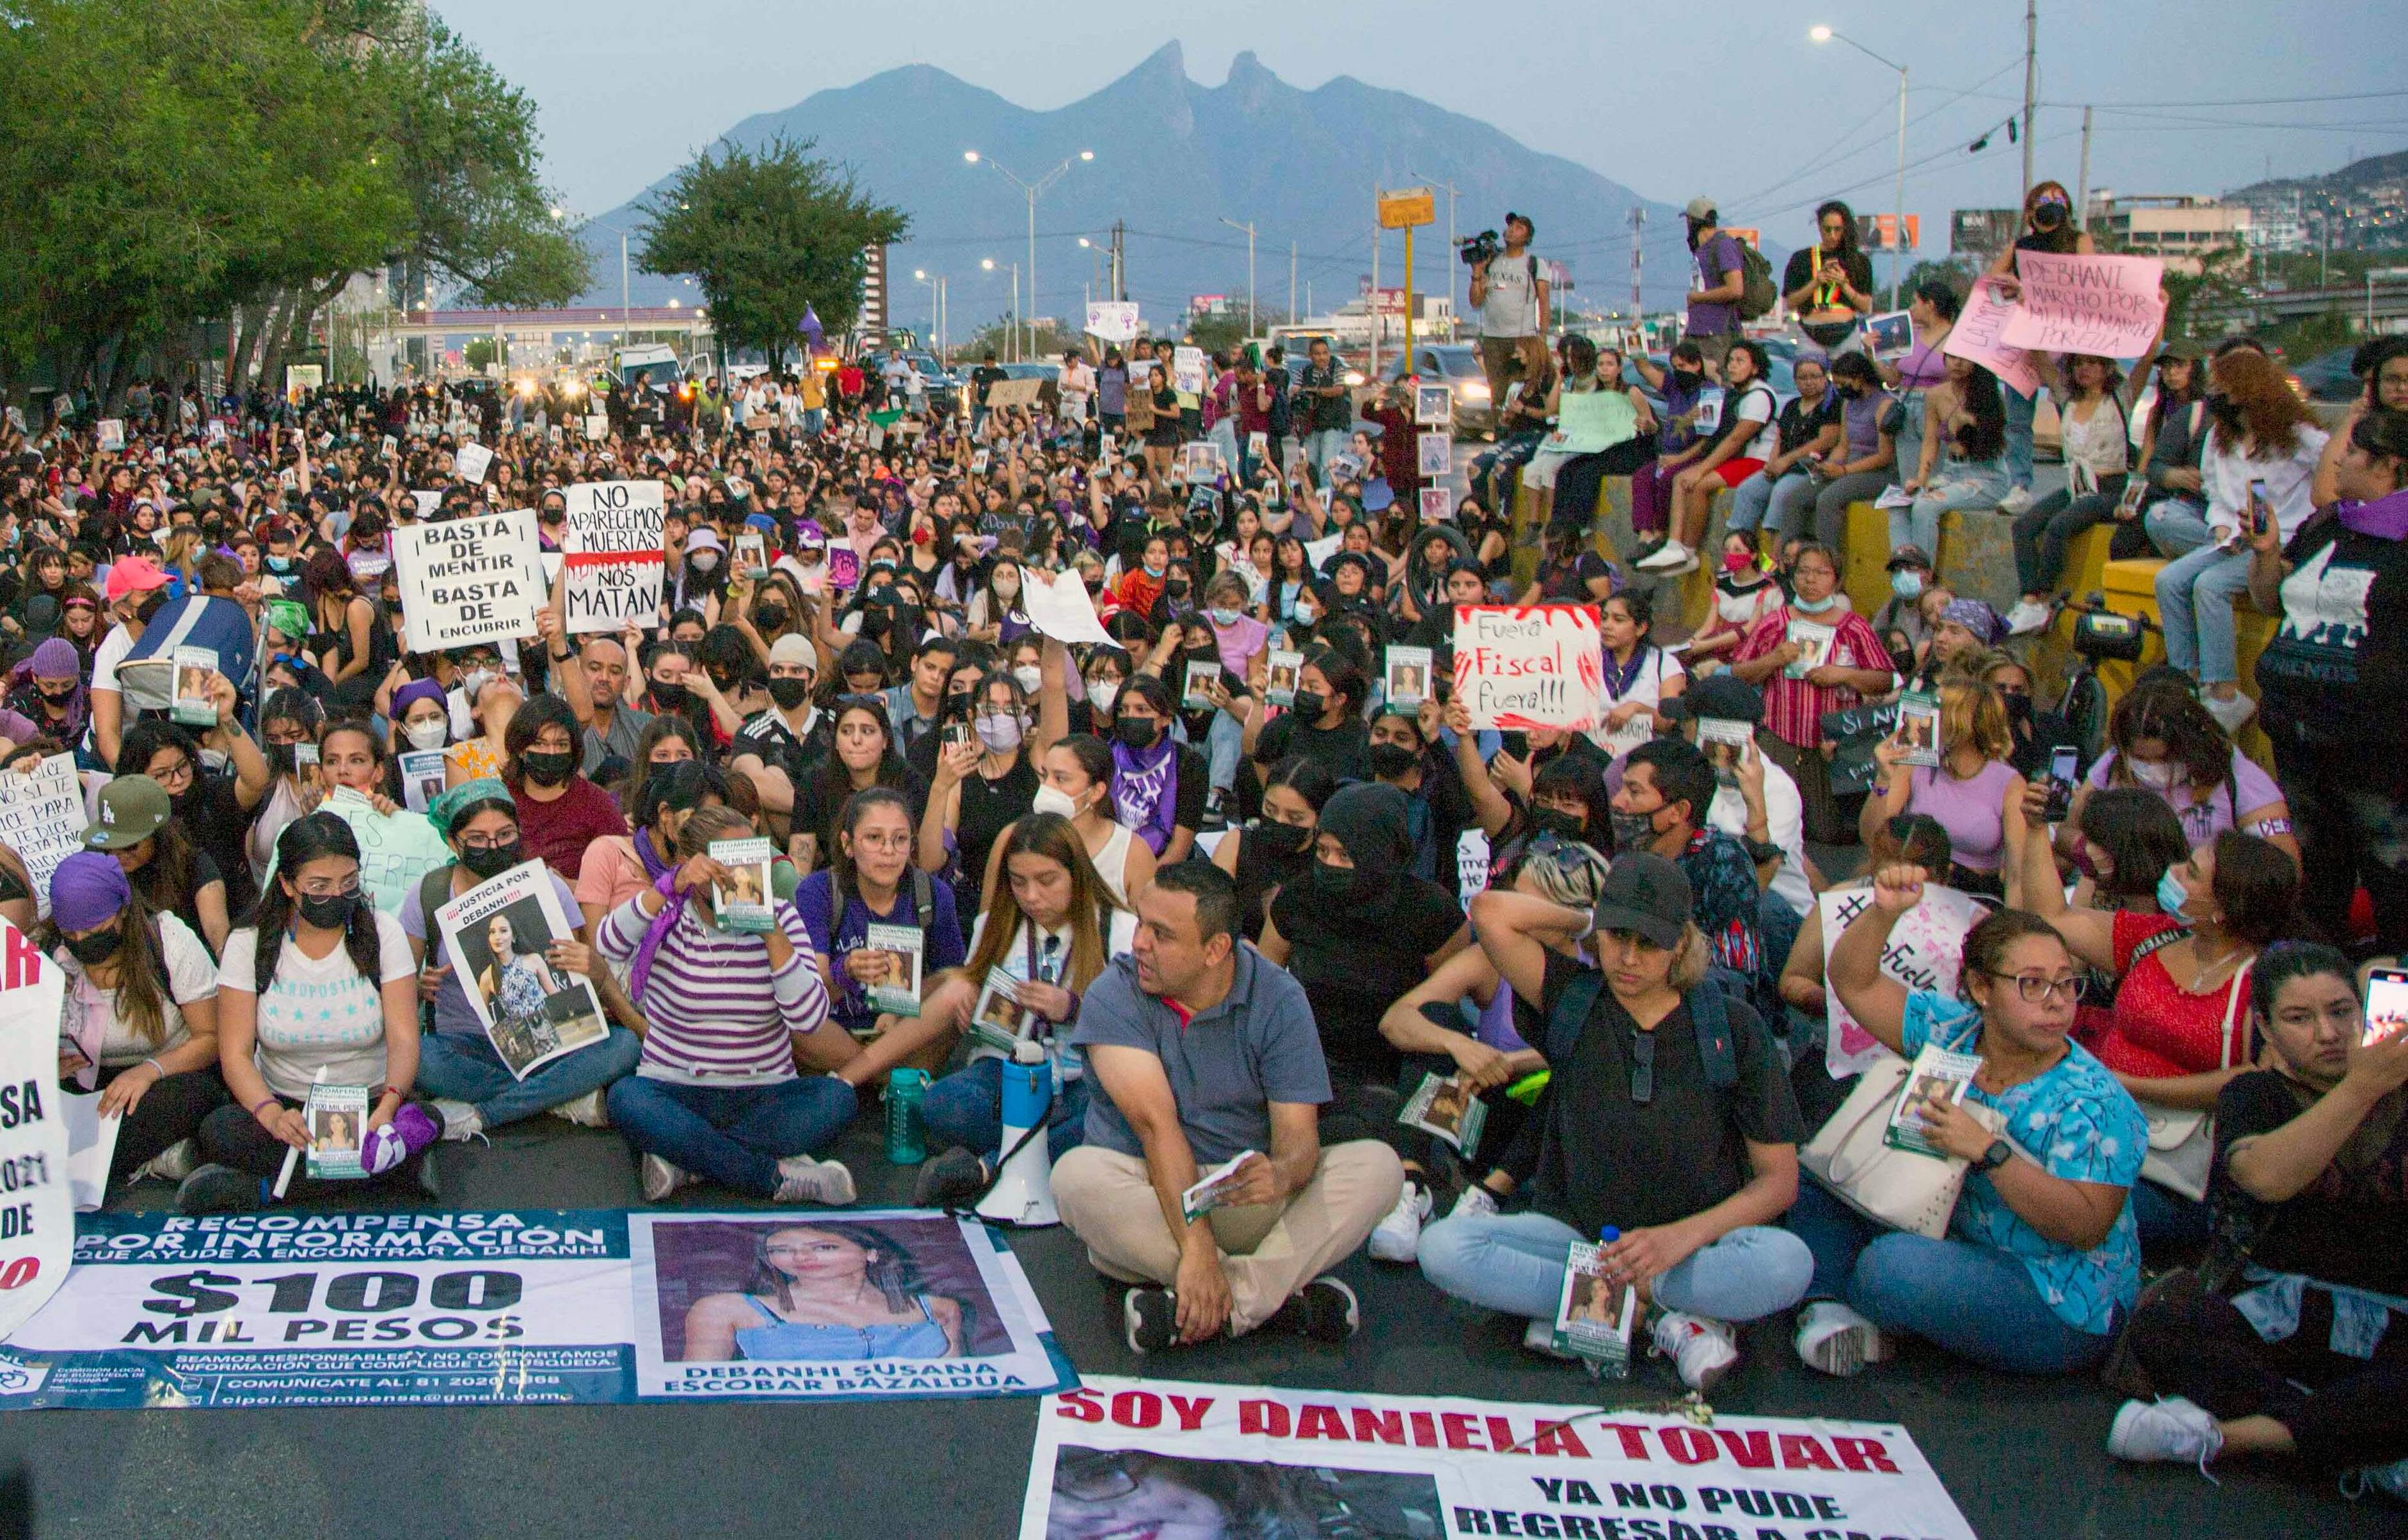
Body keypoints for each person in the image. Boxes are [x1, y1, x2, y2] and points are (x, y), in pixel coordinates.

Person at [1421, 854, 1813, 1390]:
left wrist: (1676, 1240)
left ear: (1681, 944)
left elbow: (1778, 1182)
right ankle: (1658, 1318)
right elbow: (1490, 912)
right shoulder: (1572, 997)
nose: (1628, 959)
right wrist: (1586, 921)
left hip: (1693, 1249)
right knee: (1443, 1249)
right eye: (1616, 937)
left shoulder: (1732, 1026)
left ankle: (1615, 1308)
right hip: (1578, 1239)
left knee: (1787, 1262)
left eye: (1648, 943)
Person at [1793, 863, 2146, 1376]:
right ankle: (1827, 1310)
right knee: (1822, 1171)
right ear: (1980, 988)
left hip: (2054, 1294)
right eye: (2031, 984)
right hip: (1953, 1237)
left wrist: (1988, 1151)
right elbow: (1853, 982)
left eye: (2067, 984)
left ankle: (1861, 1307)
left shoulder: (2094, 1101)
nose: (2056, 1003)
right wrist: (1883, 914)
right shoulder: (1950, 1030)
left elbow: (2085, 1228)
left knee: (1889, 1267)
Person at [1054, 863, 1405, 1351]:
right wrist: (1197, 1245)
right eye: (1140, 923)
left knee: (1379, 1167)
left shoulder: (1278, 997)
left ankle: (1216, 1303)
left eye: (1161, 934)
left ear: (1215, 949)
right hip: (1150, 1197)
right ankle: (1273, 1299)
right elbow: (1156, 1129)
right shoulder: (1114, 994)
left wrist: (1280, 1175)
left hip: (1241, 1195)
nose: (1139, 943)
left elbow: (1297, 1141)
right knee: (1076, 1178)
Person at [2106, 942, 2408, 1493]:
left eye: (2341, 1011)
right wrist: (2360, 1088)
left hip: (2391, 1325)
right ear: (2265, 1029)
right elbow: (2267, 1177)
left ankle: (2233, 1437)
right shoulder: (2253, 1094)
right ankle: (2362, 1447)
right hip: (2275, 1316)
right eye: (2299, 1018)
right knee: (2166, 1326)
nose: (2327, 1033)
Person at [2018, 821, 2299, 1249]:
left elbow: (2253, 1080)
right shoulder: (2153, 938)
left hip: (2169, 1173)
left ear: (2223, 907)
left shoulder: (2261, 982)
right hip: (2093, 1126)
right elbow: (2051, 917)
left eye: (2191, 872)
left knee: (2049, 1205)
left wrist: (2129, 1085)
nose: (2174, 873)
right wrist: (2037, 830)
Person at [595, 804, 857, 1205]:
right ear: (694, 865)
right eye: (727, 864)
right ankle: (772, 1177)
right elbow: (607, 946)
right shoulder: (667, 915)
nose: (740, 874)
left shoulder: (783, 917)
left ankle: (689, 1160)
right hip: (674, 1087)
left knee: (837, 1099)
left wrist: (768, 930)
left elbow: (808, 1018)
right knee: (626, 1099)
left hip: (763, 1093)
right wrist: (669, 884)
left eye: (751, 861)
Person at [177, 814, 429, 1214]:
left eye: (348, 883)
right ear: (287, 885)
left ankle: (268, 1191)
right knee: (219, 1130)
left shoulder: (383, 932)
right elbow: (236, 1053)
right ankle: (385, 1174)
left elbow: (403, 1039)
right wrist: (272, 1115)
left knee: (423, 1120)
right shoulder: (249, 943)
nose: (337, 896)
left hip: (369, 1103)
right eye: (319, 887)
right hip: (287, 1105)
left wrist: (387, 1107)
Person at [910, 812, 1140, 1203]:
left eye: (1047, 881)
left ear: (1077, 874)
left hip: (1082, 1080)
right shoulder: (996, 923)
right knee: (942, 1104)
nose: (1032, 896)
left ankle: (988, 1165)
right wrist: (970, 1003)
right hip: (1004, 1071)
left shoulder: (1120, 929)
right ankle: (1040, 1151)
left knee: (1111, 1118)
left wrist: (1075, 1008)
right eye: (1019, 882)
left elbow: (1138, 1025)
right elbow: (975, 983)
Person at [2247, 404, 2408, 957]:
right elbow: (2269, 602)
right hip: (2297, 738)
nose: (2337, 462)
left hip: (2375, 751)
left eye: (2352, 453)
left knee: (2392, 882)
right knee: (2315, 883)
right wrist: (2266, 553)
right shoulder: (2326, 524)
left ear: (2387, 465)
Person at [402, 782, 641, 1141]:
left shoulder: (549, 886)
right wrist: (420, 986)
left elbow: (575, 981)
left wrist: (591, 967)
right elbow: (402, 985)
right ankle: (557, 1098)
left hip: (552, 1039)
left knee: (624, 1047)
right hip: (469, 1046)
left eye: (505, 834)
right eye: (477, 838)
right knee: (418, 1057)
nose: (493, 846)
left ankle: (486, 1114)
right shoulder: (428, 892)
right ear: (452, 842)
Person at [2155, 346, 2330, 734]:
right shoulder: (2220, 437)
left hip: (2282, 540)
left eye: (2224, 387)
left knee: (2210, 586)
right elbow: (2215, 491)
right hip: (2235, 537)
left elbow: (2331, 467)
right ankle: (2185, 680)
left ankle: (2226, 693)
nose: (2215, 394)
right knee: (2169, 579)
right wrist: (2219, 525)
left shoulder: (2297, 436)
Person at [43, 852, 225, 1187]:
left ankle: (87, 1162)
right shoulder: (52, 955)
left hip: (169, 1075)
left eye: (93, 931)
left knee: (189, 1097)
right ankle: (143, 1158)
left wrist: (148, 1071)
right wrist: (46, 1067)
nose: (82, 942)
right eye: (72, 934)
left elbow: (212, 1039)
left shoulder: (167, 940)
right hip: (90, 1083)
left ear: (122, 913)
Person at [1726, 541, 1897, 844]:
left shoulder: (1854, 628)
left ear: (1836, 580)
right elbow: (1739, 672)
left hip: (1833, 747)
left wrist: (1844, 675)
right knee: (1775, 825)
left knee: (1827, 832)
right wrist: (1773, 659)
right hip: (1779, 739)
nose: (1810, 580)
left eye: (1821, 572)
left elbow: (1886, 680)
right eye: (1803, 571)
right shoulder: (1775, 622)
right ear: (1793, 577)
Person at [792, 787, 967, 1057]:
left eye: (900, 839)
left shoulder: (933, 895)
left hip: (906, 1034)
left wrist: (904, 1011)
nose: (888, 851)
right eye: (874, 838)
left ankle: (869, 1071)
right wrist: (846, 970)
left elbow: (954, 979)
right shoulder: (819, 891)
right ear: (847, 844)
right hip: (837, 1034)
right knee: (799, 1027)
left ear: (912, 845)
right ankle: (878, 1072)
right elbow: (809, 995)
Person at [2062, 675, 2296, 858]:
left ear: (2192, 747)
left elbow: (2283, 863)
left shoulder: (2238, 777)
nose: (2152, 768)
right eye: (2140, 758)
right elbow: (2066, 833)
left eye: (2165, 758)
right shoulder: (2115, 763)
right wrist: (2089, 852)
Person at [681, 1223, 964, 1363]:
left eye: (824, 1247)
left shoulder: (939, 1309)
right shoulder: (727, 1311)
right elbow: (697, 1403)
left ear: (871, 1252)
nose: (802, 1258)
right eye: (782, 1250)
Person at [2007, 354, 2137, 636]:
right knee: (2024, 527)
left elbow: (2146, 362)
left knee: (2058, 527)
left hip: (2109, 486)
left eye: (2091, 363)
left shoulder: (2120, 398)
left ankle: (2044, 597)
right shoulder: (2069, 400)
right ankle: (2028, 599)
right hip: (2076, 486)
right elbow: (2043, 363)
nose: (2084, 369)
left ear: (2106, 367)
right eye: (2078, 364)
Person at [1861, 682, 2029, 899]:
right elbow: (1871, 835)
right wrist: (1884, 779)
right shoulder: (1917, 761)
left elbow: (2017, 874)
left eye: (1938, 708)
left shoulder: (2009, 783)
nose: (1926, 715)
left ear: (1964, 723)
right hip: (1912, 881)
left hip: (1972, 892)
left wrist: (2013, 919)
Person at [1647, 339, 1780, 575]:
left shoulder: (1759, 396)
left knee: (1699, 485)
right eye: (1731, 361)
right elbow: (1714, 436)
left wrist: (1702, 469)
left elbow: (1735, 440)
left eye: (1740, 361)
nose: (1733, 366)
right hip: (1741, 459)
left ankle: (1689, 551)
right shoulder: (1735, 394)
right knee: (1681, 479)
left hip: (1758, 461)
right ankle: (1674, 546)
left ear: (1755, 368)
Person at [83, 774, 229, 958]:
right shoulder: (95, 860)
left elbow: (218, 933)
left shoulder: (194, 866)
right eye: (108, 844)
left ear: (157, 835)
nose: (116, 854)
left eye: (129, 846)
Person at [504, 693, 629, 882]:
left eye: (561, 745)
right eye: (540, 744)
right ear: (521, 749)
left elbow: (622, 880)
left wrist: (565, 886)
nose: (551, 753)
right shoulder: (502, 800)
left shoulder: (595, 803)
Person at [1896, 355, 2011, 560]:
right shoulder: (1935, 395)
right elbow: (1930, 441)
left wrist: (1969, 422)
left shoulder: (1992, 396)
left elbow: (1996, 445)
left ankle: (1922, 571)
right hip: (1951, 472)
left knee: (1925, 507)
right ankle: (1903, 567)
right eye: (1952, 357)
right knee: (1900, 505)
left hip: (1986, 477)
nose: (1958, 363)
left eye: (1965, 358)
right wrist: (1921, 477)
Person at [1211, 755, 1335, 943]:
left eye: (1295, 818)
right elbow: (1212, 916)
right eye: (1270, 809)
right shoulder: (1237, 844)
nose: (1279, 821)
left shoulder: (1325, 862)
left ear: (1320, 818)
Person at [1032, 732, 1155, 908]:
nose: (1047, 786)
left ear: (1097, 792)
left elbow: (1148, 919)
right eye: (1045, 776)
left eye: (1060, 778)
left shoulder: (1132, 853)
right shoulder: (1021, 837)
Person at [1728, 353, 1840, 545]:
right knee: (1748, 490)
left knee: (1781, 492)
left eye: (1815, 377)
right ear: (1795, 380)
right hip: (1782, 467)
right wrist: (1772, 463)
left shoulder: (1832, 406)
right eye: (1803, 378)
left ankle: (1778, 556)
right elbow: (1780, 438)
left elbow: (1825, 441)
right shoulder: (1791, 406)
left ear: (1825, 377)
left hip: (1809, 470)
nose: (1809, 382)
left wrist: (1786, 461)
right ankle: (1738, 546)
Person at [1468, 213, 1549, 410]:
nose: (1512, 230)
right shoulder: (1491, 261)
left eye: (1519, 228)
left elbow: (1545, 304)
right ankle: (1499, 426)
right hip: (1493, 338)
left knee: (1522, 390)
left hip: (1522, 338)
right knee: (1497, 394)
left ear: (1527, 238)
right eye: (1510, 226)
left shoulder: (1534, 264)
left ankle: (1519, 425)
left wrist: (1542, 338)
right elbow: (1476, 302)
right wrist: (1477, 274)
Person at [1782, 201, 1877, 354]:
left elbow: (1865, 306)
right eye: (1827, 229)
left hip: (1846, 331)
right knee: (1809, 368)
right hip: (1811, 331)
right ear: (1819, 227)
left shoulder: (1859, 261)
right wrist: (1816, 282)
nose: (1832, 236)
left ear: (1845, 228)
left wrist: (1843, 284)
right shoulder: (1801, 258)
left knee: (1848, 369)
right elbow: (1791, 302)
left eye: (1838, 229)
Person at [1678, 197, 1748, 373]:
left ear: (1691, 221)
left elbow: (1735, 289)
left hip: (1719, 335)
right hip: (1699, 332)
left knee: (1719, 383)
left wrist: (1697, 297)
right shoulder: (1702, 250)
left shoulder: (1723, 245)